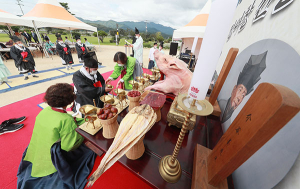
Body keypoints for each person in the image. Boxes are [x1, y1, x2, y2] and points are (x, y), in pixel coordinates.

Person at [17, 83, 96, 189]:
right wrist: (83, 132)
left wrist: (79, 122)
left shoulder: (45, 111)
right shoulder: (66, 120)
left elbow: (59, 120)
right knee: (89, 152)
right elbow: (68, 146)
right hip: (53, 157)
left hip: (38, 147)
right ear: (69, 101)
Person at [220, 51, 267, 123]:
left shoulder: (233, 121)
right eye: (240, 90)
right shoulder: (221, 104)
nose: (239, 98)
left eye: (243, 95)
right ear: (233, 89)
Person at [72, 52, 110, 116]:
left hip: (96, 96)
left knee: (99, 111)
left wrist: (105, 87)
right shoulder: (77, 76)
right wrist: (102, 89)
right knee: (90, 114)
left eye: (97, 69)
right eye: (95, 69)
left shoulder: (95, 72)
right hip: (85, 98)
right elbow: (85, 90)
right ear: (86, 68)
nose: (96, 71)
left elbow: (102, 81)